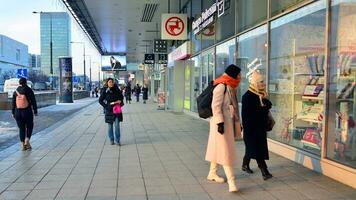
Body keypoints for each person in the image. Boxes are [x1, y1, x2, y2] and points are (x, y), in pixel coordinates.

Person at [205, 64, 242, 193]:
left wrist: (237, 123)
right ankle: (231, 182)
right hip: (220, 124)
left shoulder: (230, 86)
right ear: (233, 74)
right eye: (238, 74)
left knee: (218, 148)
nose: (240, 77)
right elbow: (215, 106)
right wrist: (220, 123)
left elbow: (233, 107)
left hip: (226, 123)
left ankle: (212, 173)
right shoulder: (221, 86)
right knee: (226, 151)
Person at [241, 70, 273, 180]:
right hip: (251, 129)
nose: (263, 84)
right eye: (261, 82)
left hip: (260, 128)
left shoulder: (261, 94)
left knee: (252, 149)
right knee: (257, 149)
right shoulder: (247, 97)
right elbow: (249, 115)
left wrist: (265, 104)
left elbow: (268, 104)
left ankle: (245, 165)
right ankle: (264, 171)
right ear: (254, 83)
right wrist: (264, 108)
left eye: (263, 81)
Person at [12, 78, 38, 151]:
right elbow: (33, 101)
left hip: (18, 112)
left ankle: (23, 145)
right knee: (30, 126)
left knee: (21, 129)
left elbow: (13, 103)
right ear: (26, 83)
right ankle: (27, 140)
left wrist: (13, 112)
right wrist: (35, 111)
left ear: (19, 83)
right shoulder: (29, 90)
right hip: (27, 111)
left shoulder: (16, 91)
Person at [99, 78, 124, 145]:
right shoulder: (105, 90)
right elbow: (100, 100)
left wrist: (120, 102)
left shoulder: (117, 89)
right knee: (110, 126)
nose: (111, 83)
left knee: (117, 125)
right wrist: (106, 106)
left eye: (112, 82)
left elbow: (121, 97)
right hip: (109, 110)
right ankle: (111, 139)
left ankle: (117, 140)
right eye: (110, 82)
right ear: (107, 83)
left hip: (116, 110)